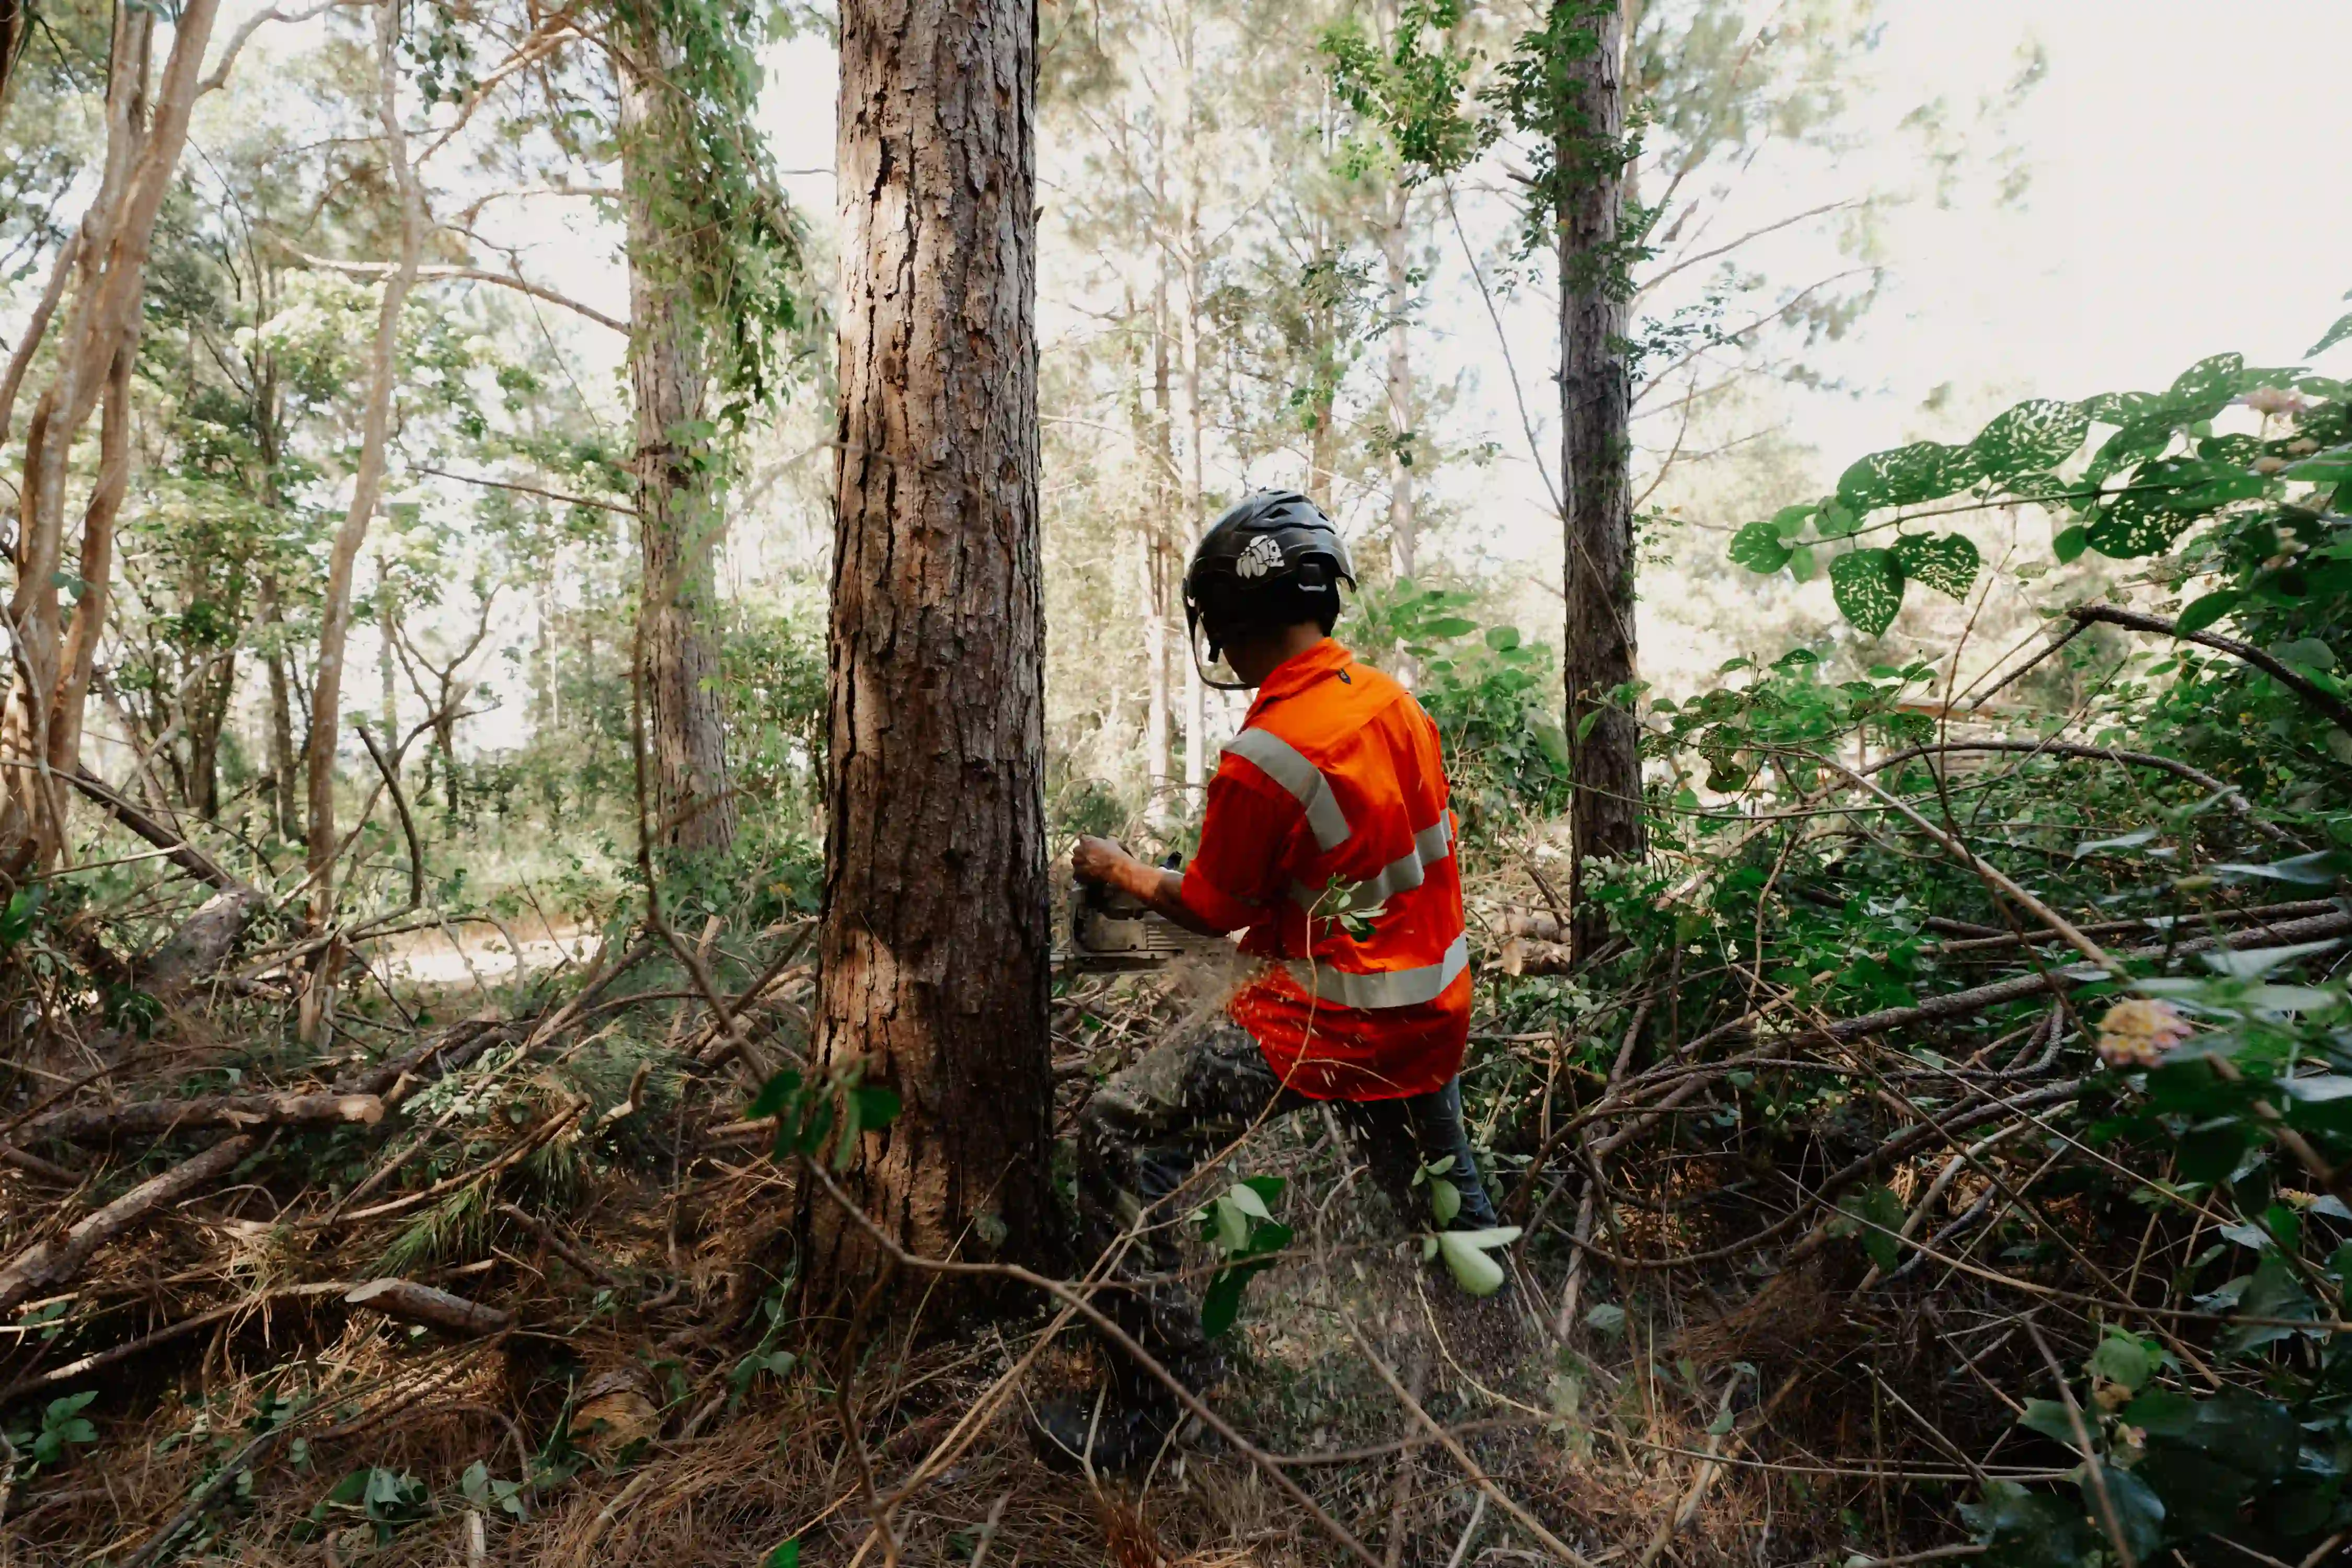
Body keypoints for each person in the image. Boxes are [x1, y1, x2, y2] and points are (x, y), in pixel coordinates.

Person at [1032, 489, 1500, 1472]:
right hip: (1431, 1014)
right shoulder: (1393, 704)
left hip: (1333, 1021)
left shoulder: (1267, 754)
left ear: (1234, 625)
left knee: (1118, 1127)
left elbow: (1210, 906)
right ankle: (1502, 1381)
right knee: (1447, 1208)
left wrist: (1119, 872)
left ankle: (1161, 1411)